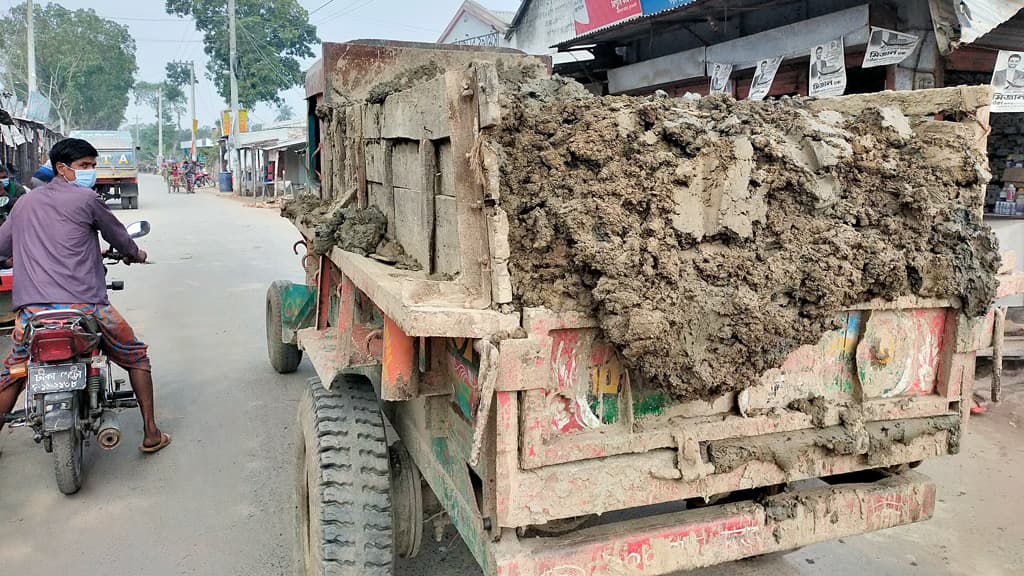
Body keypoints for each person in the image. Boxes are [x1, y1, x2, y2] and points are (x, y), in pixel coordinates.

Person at [0, 138, 170, 453]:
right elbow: (120, 237)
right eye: (84, 166)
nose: (90, 172)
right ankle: (150, 432)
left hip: (33, 314)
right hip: (86, 308)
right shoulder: (87, 200)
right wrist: (136, 253)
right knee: (136, 355)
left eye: (92, 166)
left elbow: (1, 248)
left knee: (15, 370)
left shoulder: (23, 203)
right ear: (61, 168)